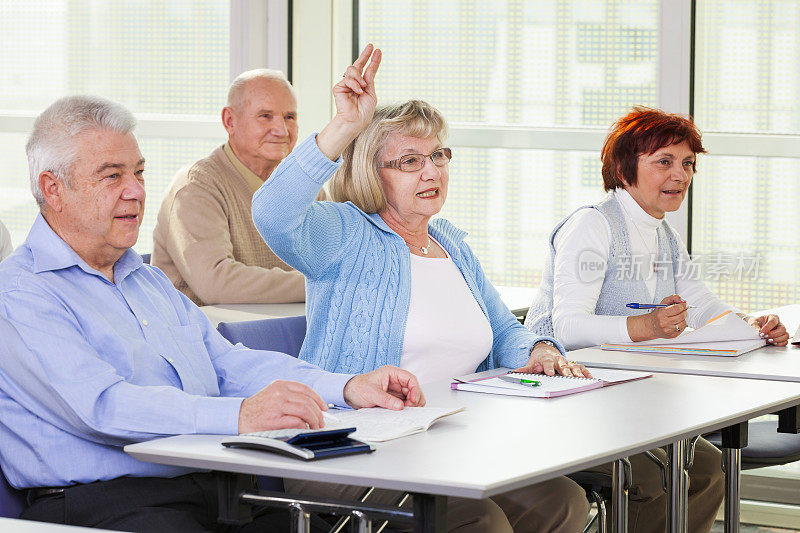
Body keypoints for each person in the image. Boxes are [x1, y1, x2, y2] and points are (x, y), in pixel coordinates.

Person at [0, 94, 424, 532]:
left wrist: (348, 386)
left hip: (215, 486)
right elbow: (102, 407)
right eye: (112, 177)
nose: (136, 191)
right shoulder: (19, 293)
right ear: (53, 189)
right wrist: (240, 416)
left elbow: (227, 364)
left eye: (139, 172)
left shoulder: (145, 281)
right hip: (105, 504)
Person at [252, 44, 591, 533]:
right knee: (481, 521)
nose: (432, 171)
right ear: (371, 171)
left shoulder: (450, 243)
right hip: (355, 443)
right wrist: (342, 127)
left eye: (437, 155)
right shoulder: (344, 233)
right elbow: (271, 212)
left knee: (562, 502)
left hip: (452, 437)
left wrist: (538, 350)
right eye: (409, 161)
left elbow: (501, 330)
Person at [525, 107, 788, 532]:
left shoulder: (663, 232)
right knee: (649, 476)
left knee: (708, 468)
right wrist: (645, 328)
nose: (680, 175)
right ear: (625, 169)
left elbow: (699, 302)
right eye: (664, 162)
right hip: (571, 394)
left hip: (631, 394)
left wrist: (751, 324)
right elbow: (567, 328)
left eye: (687, 164)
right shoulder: (592, 224)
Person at [152, 69, 322, 306]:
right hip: (209, 338)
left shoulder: (306, 186)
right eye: (265, 116)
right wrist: (323, 284)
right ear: (229, 121)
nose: (281, 130)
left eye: (289, 117)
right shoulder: (195, 187)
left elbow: (336, 261)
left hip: (284, 333)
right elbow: (217, 284)